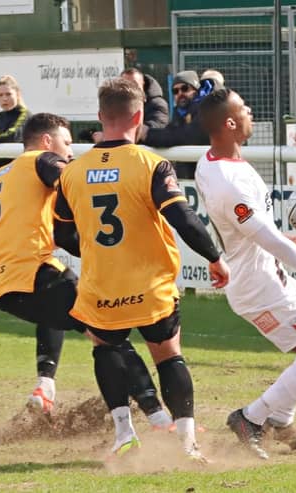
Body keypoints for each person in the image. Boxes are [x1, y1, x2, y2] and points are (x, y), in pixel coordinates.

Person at [53, 78, 229, 461]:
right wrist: (214, 257)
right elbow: (183, 217)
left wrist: (97, 251)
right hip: (150, 286)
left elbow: (61, 232)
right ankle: (187, 442)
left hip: (101, 287)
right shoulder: (150, 164)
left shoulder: (72, 171)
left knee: (105, 349)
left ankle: (123, 433)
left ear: (100, 117)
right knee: (168, 355)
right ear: (139, 115)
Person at [0, 113, 173, 429]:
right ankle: (160, 418)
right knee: (109, 333)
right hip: (31, 272)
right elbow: (76, 180)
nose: (70, 151)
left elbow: (60, 234)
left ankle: (46, 385)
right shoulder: (42, 160)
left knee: (62, 307)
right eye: (66, 143)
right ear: (46, 141)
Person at [195, 88, 296, 459]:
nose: (251, 111)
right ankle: (249, 419)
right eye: (245, 108)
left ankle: (280, 419)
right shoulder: (227, 181)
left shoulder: (218, 162)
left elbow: (258, 233)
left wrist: (280, 239)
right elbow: (266, 238)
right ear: (230, 123)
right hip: (258, 287)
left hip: (268, 273)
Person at [139, 70, 209, 178]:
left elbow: (187, 136)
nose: (180, 94)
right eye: (175, 91)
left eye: (185, 88)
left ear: (196, 90)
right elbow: (169, 133)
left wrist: (147, 134)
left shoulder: (205, 108)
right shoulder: (179, 113)